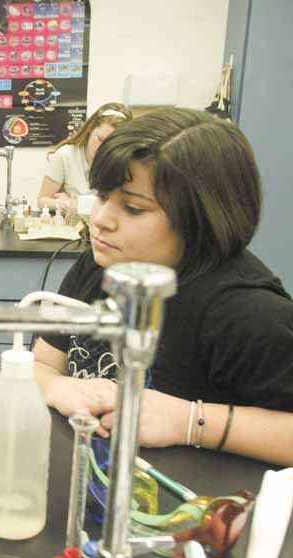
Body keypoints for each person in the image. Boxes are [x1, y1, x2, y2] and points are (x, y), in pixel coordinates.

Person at [34, 108, 293, 467]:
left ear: (202, 216)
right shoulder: (102, 263)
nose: (100, 219)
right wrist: (58, 388)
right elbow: (41, 363)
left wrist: (189, 423)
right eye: (102, 196)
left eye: (134, 208)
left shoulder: (248, 313)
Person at [36, 102, 132, 214]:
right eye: (100, 139)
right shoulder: (66, 155)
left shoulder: (122, 162)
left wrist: (76, 204)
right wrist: (62, 204)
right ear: (90, 129)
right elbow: (42, 201)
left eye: (110, 144)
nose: (102, 148)